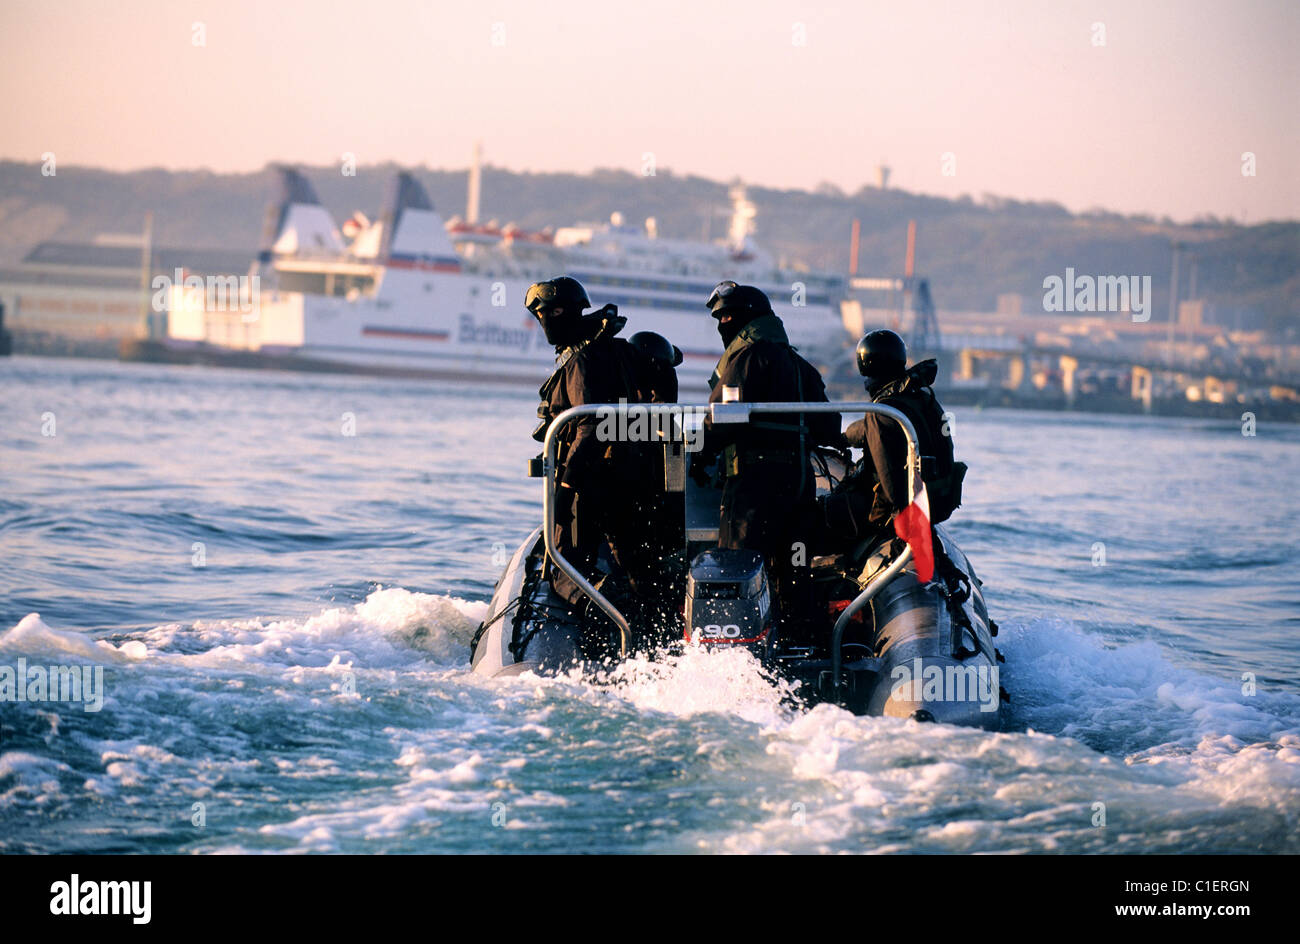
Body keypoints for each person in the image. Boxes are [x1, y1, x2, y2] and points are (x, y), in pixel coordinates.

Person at [691, 282, 840, 631]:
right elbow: (829, 427)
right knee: (794, 565)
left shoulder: (746, 357)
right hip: (800, 485)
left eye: (727, 315)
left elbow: (723, 417)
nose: (722, 323)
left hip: (753, 486)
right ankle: (799, 639)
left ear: (748, 317)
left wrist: (699, 453)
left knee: (737, 565)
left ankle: (735, 655)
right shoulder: (801, 366)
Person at [527, 277, 661, 646]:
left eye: (552, 312)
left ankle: (608, 629)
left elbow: (589, 424)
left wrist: (567, 486)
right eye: (540, 314)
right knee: (635, 562)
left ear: (572, 312)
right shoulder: (617, 350)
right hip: (631, 474)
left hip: (592, 480)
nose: (546, 320)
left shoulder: (582, 359)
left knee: (566, 565)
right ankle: (649, 630)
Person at [823, 329, 965, 552]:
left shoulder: (882, 411)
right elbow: (866, 430)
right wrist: (842, 438)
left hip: (900, 513)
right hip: (937, 502)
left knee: (813, 515)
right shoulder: (922, 398)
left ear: (865, 364)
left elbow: (889, 478)